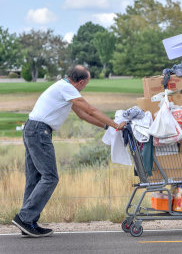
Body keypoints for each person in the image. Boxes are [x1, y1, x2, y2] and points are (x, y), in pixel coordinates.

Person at [12, 65, 126, 238]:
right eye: (85, 84)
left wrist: (106, 127)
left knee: (35, 178)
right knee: (50, 177)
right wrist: (116, 125)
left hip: (32, 128)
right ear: (80, 82)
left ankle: (28, 222)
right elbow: (91, 110)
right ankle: (25, 218)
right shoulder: (67, 88)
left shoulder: (62, 87)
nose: (84, 88)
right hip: (39, 131)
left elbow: (83, 115)